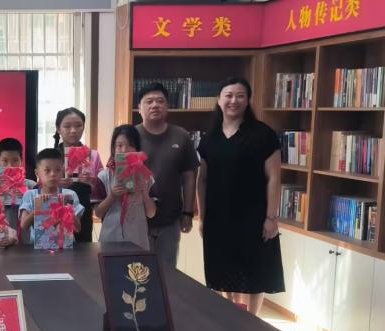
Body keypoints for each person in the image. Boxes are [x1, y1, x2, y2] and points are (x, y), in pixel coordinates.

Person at [197, 77, 284, 315]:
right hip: (218, 217)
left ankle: (253, 319)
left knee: (255, 271)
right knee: (222, 269)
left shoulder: (263, 135)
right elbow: (202, 179)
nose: (233, 101)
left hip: (253, 216)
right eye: (228, 95)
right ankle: (230, 314)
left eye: (240, 96)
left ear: (248, 100)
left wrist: (271, 218)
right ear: (219, 100)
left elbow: (274, 178)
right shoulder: (210, 137)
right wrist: (202, 217)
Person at [133, 82, 199, 268]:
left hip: (170, 219)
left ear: (167, 105)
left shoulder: (181, 135)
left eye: (160, 101)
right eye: (149, 101)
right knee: (137, 273)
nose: (155, 105)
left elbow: (189, 176)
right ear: (139, 107)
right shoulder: (130, 136)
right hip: (136, 220)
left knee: (168, 272)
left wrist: (188, 212)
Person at [95, 125, 156, 249]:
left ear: (137, 148)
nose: (124, 150)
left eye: (130, 145)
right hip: (110, 240)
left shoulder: (147, 177)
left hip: (138, 241)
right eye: (119, 145)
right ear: (113, 149)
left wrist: (144, 192)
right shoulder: (103, 176)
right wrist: (112, 196)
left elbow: (151, 213)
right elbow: (98, 213)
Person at [54, 108, 105, 243]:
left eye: (78, 125)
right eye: (67, 126)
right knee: (55, 248)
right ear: (58, 129)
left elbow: (102, 189)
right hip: (55, 212)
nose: (73, 130)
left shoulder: (93, 155)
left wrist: (93, 183)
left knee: (83, 250)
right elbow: (38, 188)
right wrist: (55, 184)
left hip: (83, 213)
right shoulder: (50, 156)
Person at [19, 148, 84, 242]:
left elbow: (78, 228)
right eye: (47, 170)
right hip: (38, 247)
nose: (53, 174)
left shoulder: (70, 195)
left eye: (57, 170)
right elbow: (24, 226)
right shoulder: (30, 195)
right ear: (37, 173)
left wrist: (67, 210)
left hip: (65, 247)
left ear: (62, 171)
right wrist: (39, 208)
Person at [0, 137, 37, 239]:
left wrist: (27, 197)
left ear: (21, 161)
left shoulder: (32, 186)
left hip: (28, 241)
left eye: (15, 160)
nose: (10, 166)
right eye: (5, 161)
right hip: (2, 241)